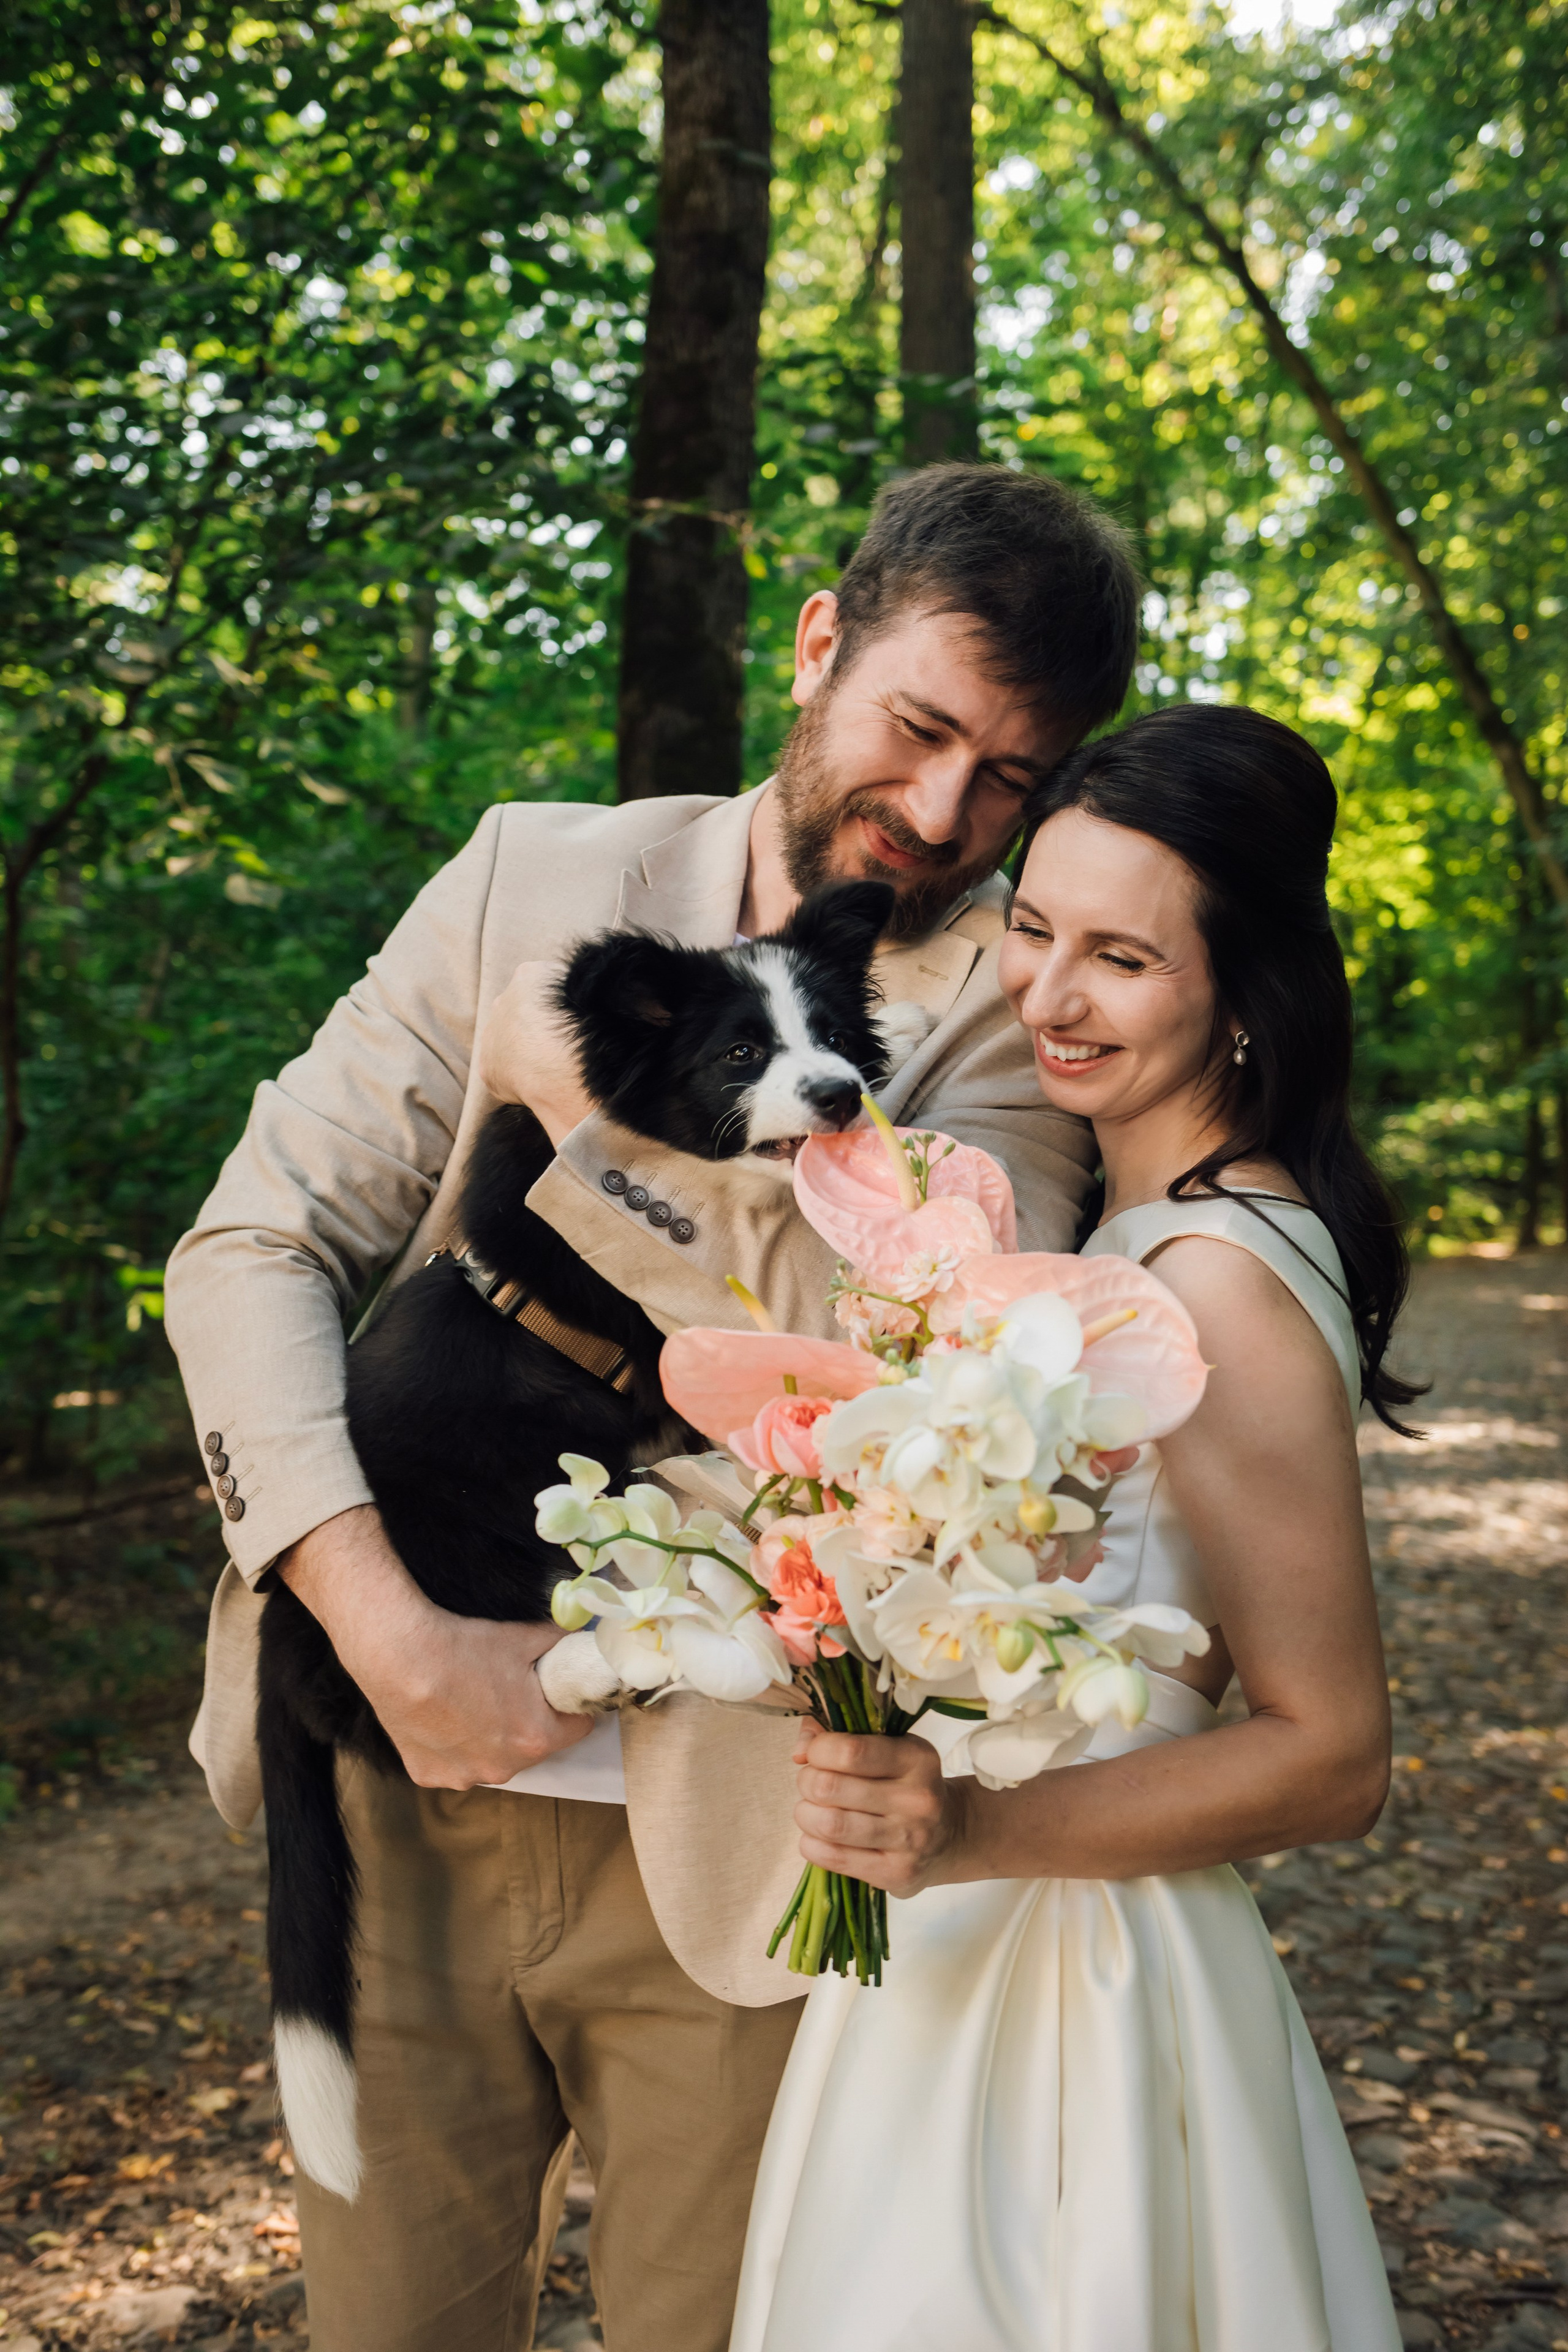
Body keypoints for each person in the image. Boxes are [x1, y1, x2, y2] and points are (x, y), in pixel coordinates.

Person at [162, 464, 1142, 2352]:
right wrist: (386, 1633)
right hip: (387, 1766)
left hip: (741, 1823)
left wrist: (598, 1117)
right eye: (921, 727)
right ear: (819, 642)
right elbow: (251, 1245)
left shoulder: (1023, 1018)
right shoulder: (534, 877)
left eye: (1010, 776)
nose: (942, 813)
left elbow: (896, 1372)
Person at [731, 701, 1417, 2352]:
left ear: (1243, 993)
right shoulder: (1128, 1226)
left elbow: (1336, 1754)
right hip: (969, 1941)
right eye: (1034, 928)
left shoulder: (1221, 1279)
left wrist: (966, 1836)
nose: (1047, 993)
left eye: (1123, 957)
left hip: (1077, 1984)